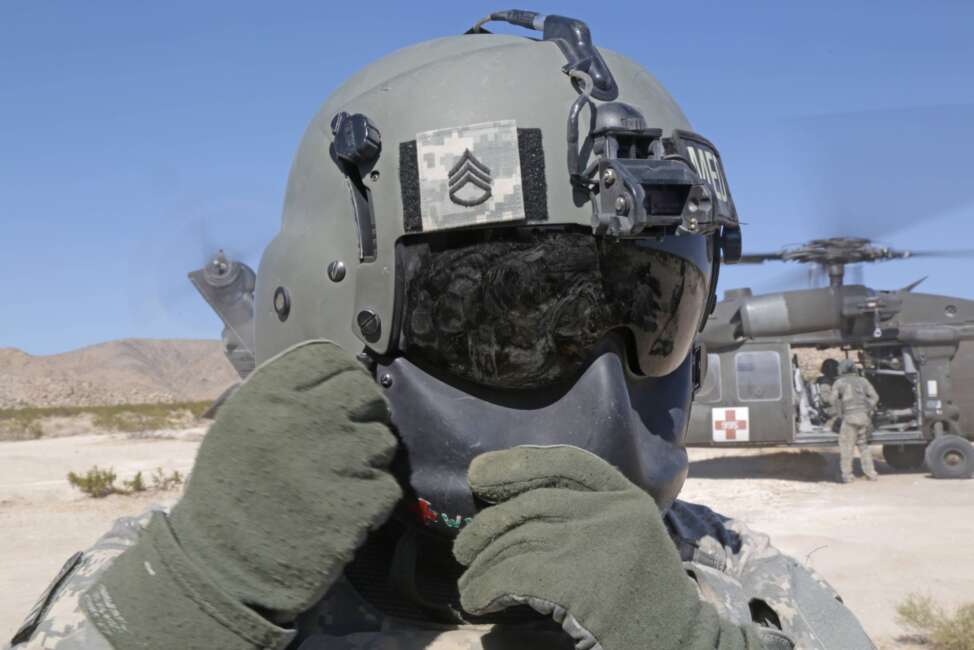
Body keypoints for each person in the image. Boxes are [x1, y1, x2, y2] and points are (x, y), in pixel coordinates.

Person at [7, 11, 875, 650]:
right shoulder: (202, 574)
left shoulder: (725, 578)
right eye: (509, 323)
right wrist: (192, 610)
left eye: (656, 313)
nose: (605, 403)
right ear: (339, 317)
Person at [832, 359, 880, 483]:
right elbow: (875, 397)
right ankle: (871, 474)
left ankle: (847, 476)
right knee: (863, 446)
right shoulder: (863, 381)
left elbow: (832, 400)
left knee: (847, 447)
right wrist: (867, 408)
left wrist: (840, 412)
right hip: (864, 418)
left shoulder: (839, 382)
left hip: (849, 419)